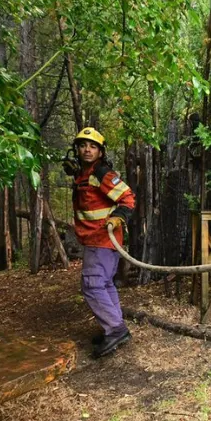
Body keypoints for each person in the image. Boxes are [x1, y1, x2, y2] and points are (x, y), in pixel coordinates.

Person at [70, 127, 136, 358]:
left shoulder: (102, 173)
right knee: (105, 284)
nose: (87, 150)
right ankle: (115, 326)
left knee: (93, 285)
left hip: (102, 239)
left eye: (93, 146)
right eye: (83, 145)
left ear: (100, 151)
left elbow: (128, 198)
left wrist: (118, 217)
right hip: (94, 239)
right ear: (77, 149)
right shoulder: (84, 174)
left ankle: (115, 330)